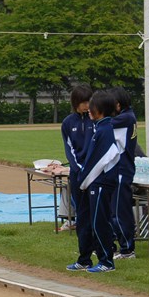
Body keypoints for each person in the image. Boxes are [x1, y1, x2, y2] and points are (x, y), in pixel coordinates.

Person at [75, 90, 119, 273]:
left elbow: (100, 160)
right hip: (97, 182)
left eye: (91, 105)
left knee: (99, 222)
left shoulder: (105, 130)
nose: (89, 109)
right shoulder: (100, 128)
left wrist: (83, 181)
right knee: (93, 221)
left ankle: (106, 261)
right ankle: (93, 259)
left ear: (99, 109)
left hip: (101, 182)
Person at [61, 84, 93, 236]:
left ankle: (97, 237)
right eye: (84, 102)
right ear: (75, 102)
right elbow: (69, 149)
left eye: (89, 101)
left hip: (95, 170)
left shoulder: (95, 119)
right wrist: (78, 167)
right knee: (81, 207)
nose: (87, 106)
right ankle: (84, 237)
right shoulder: (68, 122)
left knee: (96, 207)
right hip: (77, 172)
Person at [110, 87, 137, 259]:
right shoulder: (127, 116)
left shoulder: (125, 118)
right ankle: (123, 247)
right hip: (120, 168)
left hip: (122, 169)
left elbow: (102, 125)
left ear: (118, 105)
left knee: (120, 210)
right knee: (115, 210)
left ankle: (127, 249)